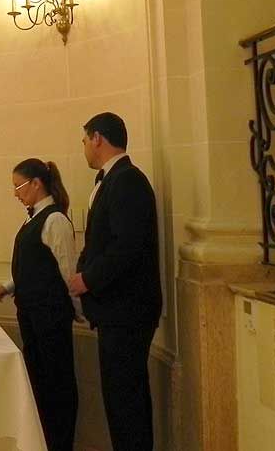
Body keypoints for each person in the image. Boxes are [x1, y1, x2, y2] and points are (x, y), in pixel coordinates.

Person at [72, 112, 162, 451]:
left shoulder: (127, 180)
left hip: (127, 312)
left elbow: (127, 247)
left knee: (127, 403)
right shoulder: (111, 180)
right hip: (116, 313)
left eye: (84, 140)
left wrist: (87, 280)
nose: (83, 147)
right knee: (119, 401)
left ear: (97, 138)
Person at [0, 158, 78, 451]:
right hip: (32, 314)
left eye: (19, 187)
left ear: (37, 184)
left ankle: (60, 444)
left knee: (58, 386)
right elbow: (34, 265)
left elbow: (67, 272)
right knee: (40, 384)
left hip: (51, 317)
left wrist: (78, 311)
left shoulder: (55, 220)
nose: (16, 193)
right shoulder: (33, 218)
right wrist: (9, 286)